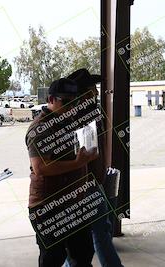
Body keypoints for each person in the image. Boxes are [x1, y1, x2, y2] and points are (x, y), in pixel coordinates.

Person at [26, 78, 98, 267]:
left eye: (75, 102)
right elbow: (40, 168)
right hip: (49, 205)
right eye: (66, 102)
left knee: (83, 256)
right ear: (51, 99)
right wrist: (78, 163)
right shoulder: (40, 128)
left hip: (75, 202)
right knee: (53, 258)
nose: (72, 107)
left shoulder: (70, 120)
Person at [65, 69, 124, 267]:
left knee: (97, 230)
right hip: (85, 184)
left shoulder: (89, 113)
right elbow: (84, 154)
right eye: (93, 89)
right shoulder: (80, 116)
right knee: (99, 229)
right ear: (83, 93)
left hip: (92, 182)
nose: (97, 93)